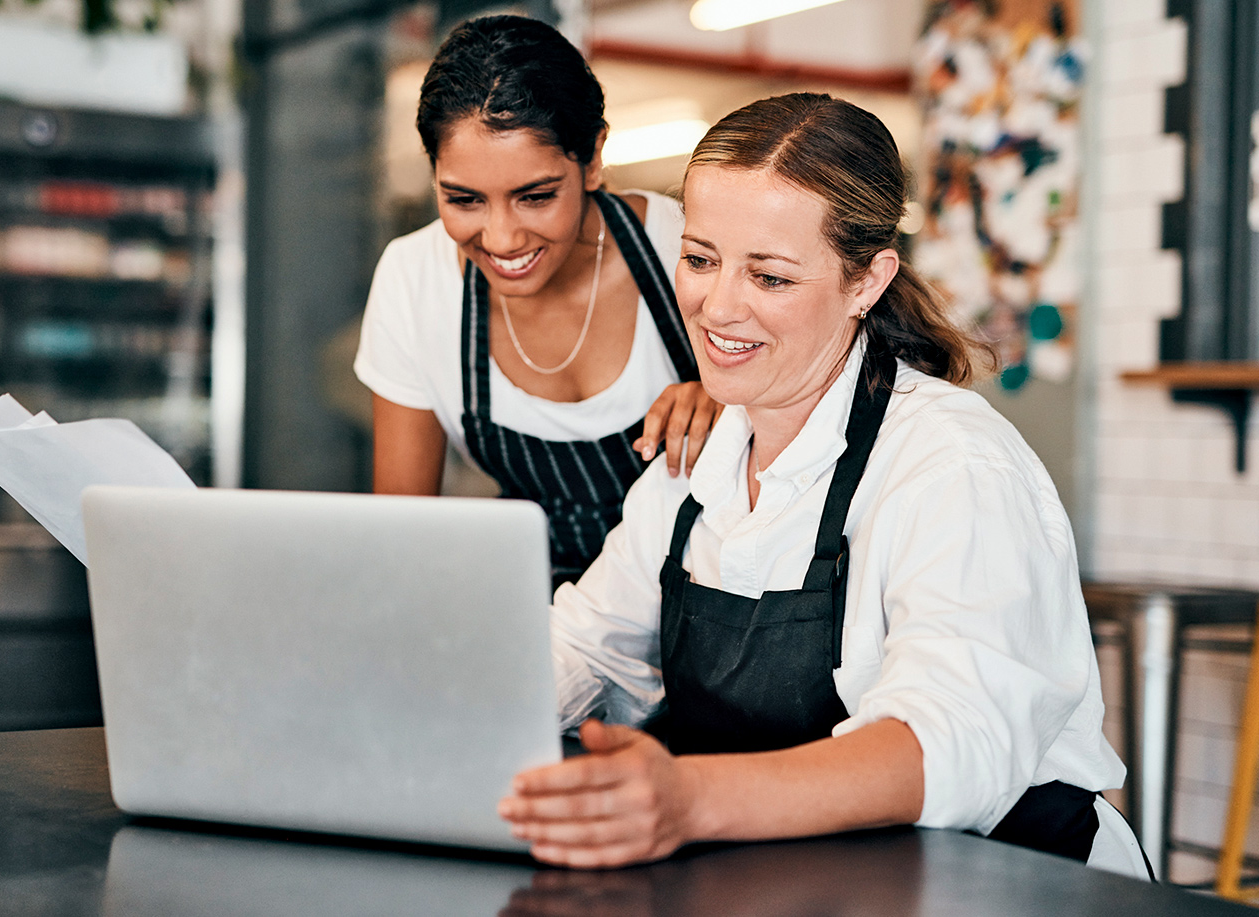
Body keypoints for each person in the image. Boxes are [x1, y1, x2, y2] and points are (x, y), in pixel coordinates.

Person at [496, 93, 1150, 878]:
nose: (717, 304)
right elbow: (586, 649)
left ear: (867, 281)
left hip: (1008, 887)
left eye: (770, 276)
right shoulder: (699, 456)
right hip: (810, 884)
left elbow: (952, 743)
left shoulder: (951, 462)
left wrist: (692, 795)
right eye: (701, 259)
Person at [354, 15, 719, 586]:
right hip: (532, 615)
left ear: (593, 158)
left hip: (707, 612)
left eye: (536, 196)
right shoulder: (414, 280)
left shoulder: (690, 249)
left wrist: (737, 408)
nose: (501, 239)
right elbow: (403, 539)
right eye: (464, 199)